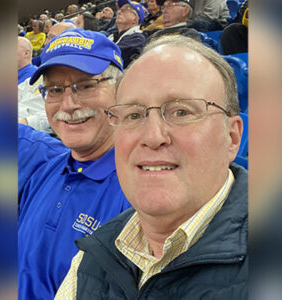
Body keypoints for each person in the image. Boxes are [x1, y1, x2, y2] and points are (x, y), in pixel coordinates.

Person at [56, 34, 247, 299]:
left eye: (181, 112)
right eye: (134, 115)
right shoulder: (90, 258)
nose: (153, 136)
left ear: (232, 137)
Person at [18, 28, 131, 300]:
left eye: (87, 85)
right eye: (55, 90)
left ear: (122, 90)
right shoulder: (44, 171)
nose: (67, 105)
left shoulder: (139, 193)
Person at [108, 0, 146, 68]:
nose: (119, 12)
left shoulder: (137, 39)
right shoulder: (112, 36)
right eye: (120, 9)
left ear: (135, 19)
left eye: (125, 10)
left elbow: (111, 56)